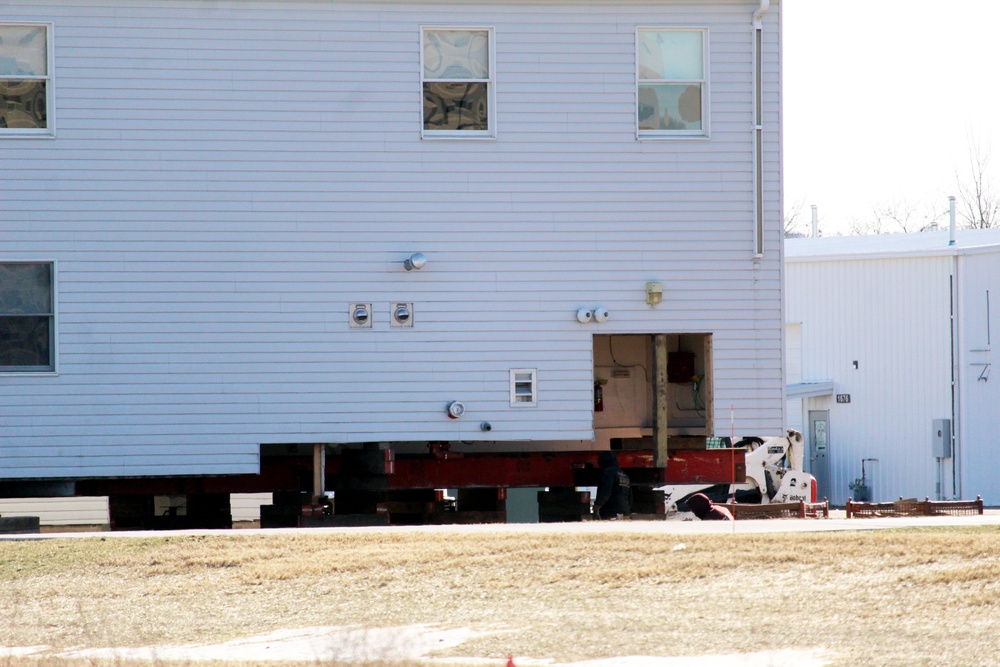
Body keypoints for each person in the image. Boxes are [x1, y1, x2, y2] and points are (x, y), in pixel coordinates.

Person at [592, 451, 631, 520]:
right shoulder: (624, 474)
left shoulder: (608, 472)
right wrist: (626, 510)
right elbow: (630, 496)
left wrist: (597, 506)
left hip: (611, 513)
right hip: (625, 514)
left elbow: (605, 492)